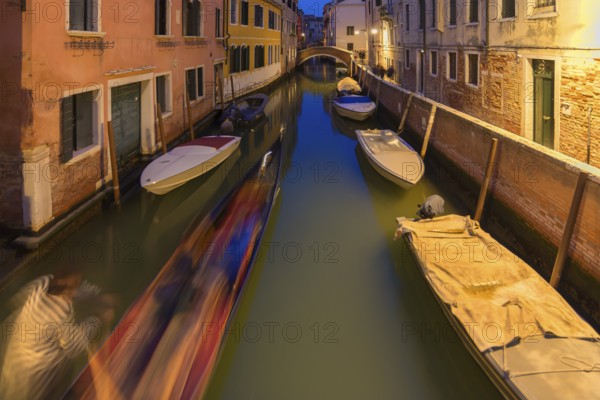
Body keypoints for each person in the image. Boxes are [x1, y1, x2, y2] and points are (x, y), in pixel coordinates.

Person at [0, 265, 115, 400]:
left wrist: (98, 297)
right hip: (36, 378)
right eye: (73, 287)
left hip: (14, 362)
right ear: (62, 283)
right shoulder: (60, 310)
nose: (73, 293)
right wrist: (98, 319)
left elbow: (18, 299)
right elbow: (73, 345)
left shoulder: (44, 282)